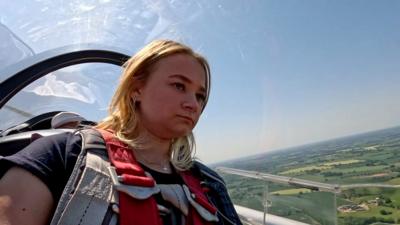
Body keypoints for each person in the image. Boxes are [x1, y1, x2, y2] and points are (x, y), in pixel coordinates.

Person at [0, 40, 242, 225]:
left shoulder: (210, 184)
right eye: (179, 86)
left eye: (200, 95)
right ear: (136, 89)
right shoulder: (62, 156)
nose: (193, 104)